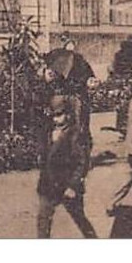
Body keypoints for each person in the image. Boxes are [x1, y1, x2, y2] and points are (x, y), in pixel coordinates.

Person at [36, 98, 98, 238]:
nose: (56, 119)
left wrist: (73, 185)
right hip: (48, 184)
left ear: (68, 115)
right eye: (53, 116)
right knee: (43, 219)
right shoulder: (48, 133)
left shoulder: (75, 135)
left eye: (59, 115)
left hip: (67, 184)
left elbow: (82, 163)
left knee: (79, 218)